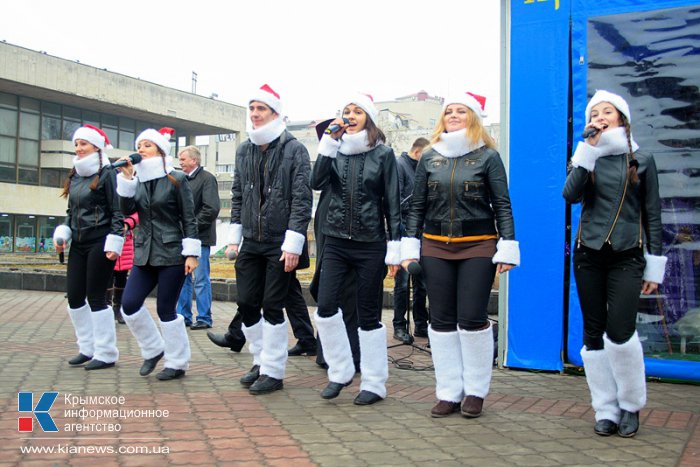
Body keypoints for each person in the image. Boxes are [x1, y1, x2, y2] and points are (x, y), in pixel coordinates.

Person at [401, 92, 519, 419]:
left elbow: (503, 205)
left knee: (471, 319)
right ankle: (449, 391)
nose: (453, 115)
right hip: (435, 245)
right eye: (449, 111)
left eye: (461, 111)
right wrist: (409, 245)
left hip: (478, 244)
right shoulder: (429, 157)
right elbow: (416, 207)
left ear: (473, 117)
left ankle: (476, 391)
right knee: (440, 320)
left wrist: (508, 245)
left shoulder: (488, 157)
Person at [563, 90, 666, 437]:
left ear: (621, 118)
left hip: (627, 256)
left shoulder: (643, 159)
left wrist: (654, 265)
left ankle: (630, 405)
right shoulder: (585, 156)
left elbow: (652, 215)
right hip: (588, 255)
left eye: (608, 111)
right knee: (593, 333)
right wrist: (586, 152)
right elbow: (570, 194)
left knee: (620, 333)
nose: (601, 116)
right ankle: (605, 409)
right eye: (595, 112)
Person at [311, 93, 402, 405]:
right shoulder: (334, 149)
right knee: (324, 306)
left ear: (369, 118)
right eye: (346, 111)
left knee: (368, 313)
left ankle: (375, 383)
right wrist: (327, 144)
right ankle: (340, 370)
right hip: (335, 240)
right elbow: (316, 181)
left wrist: (395, 246)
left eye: (357, 111)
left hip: (370, 243)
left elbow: (392, 202)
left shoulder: (384, 154)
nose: (350, 116)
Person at [225, 84, 312, 395]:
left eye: (261, 109)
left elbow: (302, 199)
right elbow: (237, 193)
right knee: (247, 302)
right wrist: (234, 236)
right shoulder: (244, 149)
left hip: (280, 241)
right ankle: (260, 360)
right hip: (250, 239)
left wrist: (293, 243)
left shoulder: (294, 149)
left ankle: (273, 372)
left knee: (272, 305)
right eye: (251, 109)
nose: (255, 114)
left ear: (276, 114)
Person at [115, 127, 200, 381]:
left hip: (172, 253)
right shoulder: (138, 181)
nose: (140, 150)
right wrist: (127, 180)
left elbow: (189, 218)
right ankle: (153, 349)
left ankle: (177, 362)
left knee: (166, 308)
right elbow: (127, 210)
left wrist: (191, 253)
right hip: (145, 253)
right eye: (139, 145)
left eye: (147, 145)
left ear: (161, 150)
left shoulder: (176, 179)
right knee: (128, 305)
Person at [53, 124, 124, 370]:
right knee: (74, 297)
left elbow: (118, 211)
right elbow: (70, 212)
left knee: (95, 296)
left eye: (83, 144)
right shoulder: (75, 174)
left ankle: (106, 353)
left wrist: (115, 242)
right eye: (76, 144)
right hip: (79, 243)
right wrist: (63, 234)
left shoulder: (107, 173)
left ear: (96, 146)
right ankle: (87, 347)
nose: (79, 148)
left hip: (101, 241)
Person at [176, 146, 220, 330]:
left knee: (201, 279)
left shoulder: (207, 179)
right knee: (182, 279)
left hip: (200, 237)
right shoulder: (180, 180)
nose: (180, 162)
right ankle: (183, 316)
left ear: (194, 160)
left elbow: (211, 209)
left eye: (183, 159)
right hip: (183, 238)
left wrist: (191, 227)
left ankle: (204, 317)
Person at [393, 137, 430, 344]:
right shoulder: (399, 166)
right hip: (403, 232)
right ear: (417, 152)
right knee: (402, 283)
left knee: (422, 283)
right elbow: (395, 201)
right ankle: (399, 325)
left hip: (421, 232)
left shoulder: (422, 169)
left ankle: (421, 324)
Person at [108, 212, 139, 324]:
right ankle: (106, 308)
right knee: (107, 277)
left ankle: (118, 309)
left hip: (125, 241)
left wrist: (127, 223)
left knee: (122, 277)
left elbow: (137, 213)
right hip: (108, 238)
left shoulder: (129, 197)